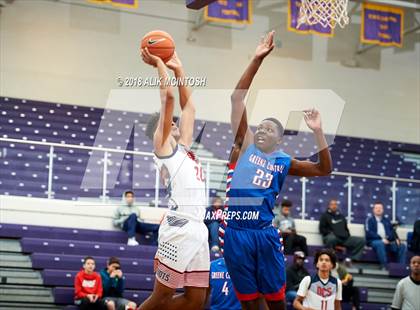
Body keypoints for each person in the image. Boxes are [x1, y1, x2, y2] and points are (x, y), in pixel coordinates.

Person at [221, 30, 333, 310]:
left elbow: (323, 169)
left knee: (275, 302)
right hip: (236, 234)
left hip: (263, 233)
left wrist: (319, 132)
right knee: (248, 303)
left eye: (269, 129)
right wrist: (257, 59)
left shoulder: (283, 160)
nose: (262, 130)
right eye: (260, 127)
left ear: (279, 139)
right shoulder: (245, 146)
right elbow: (237, 98)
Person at [138, 48, 209, 310]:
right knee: (161, 296)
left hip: (197, 227)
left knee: (195, 300)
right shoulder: (163, 146)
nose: (177, 123)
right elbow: (168, 98)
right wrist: (159, 63)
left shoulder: (184, 150)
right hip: (179, 227)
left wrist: (179, 69)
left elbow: (188, 106)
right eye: (171, 123)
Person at [365, 202, 407, 269]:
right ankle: (384, 266)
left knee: (402, 246)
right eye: (377, 208)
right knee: (380, 243)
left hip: (388, 242)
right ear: (373, 210)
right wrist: (381, 239)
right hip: (374, 241)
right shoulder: (369, 220)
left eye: (380, 208)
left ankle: (401, 268)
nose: (378, 209)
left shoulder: (386, 220)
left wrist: (396, 239)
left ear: (383, 210)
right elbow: (369, 233)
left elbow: (392, 232)